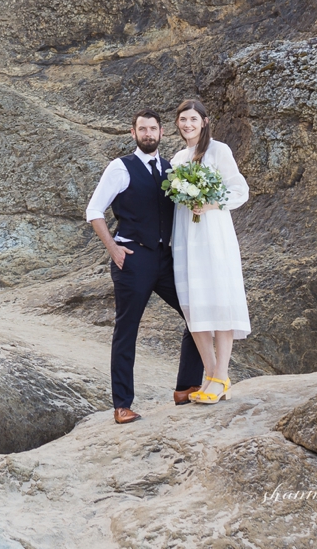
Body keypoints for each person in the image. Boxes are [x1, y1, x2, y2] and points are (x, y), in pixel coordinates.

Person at [85, 109, 207, 424]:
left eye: (153, 128)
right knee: (127, 330)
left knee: (197, 314)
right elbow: (94, 210)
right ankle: (122, 405)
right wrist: (113, 249)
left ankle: (185, 386)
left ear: (161, 133)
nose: (148, 133)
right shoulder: (119, 168)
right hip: (133, 258)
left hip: (165, 259)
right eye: (143, 129)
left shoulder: (171, 169)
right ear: (133, 132)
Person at [169, 98, 250, 405]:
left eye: (193, 119)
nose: (187, 124)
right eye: (182, 119)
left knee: (218, 301)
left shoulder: (218, 150)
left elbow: (240, 190)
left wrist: (212, 202)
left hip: (213, 235)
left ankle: (221, 374)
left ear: (204, 121)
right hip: (186, 237)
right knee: (194, 306)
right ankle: (213, 375)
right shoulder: (177, 159)